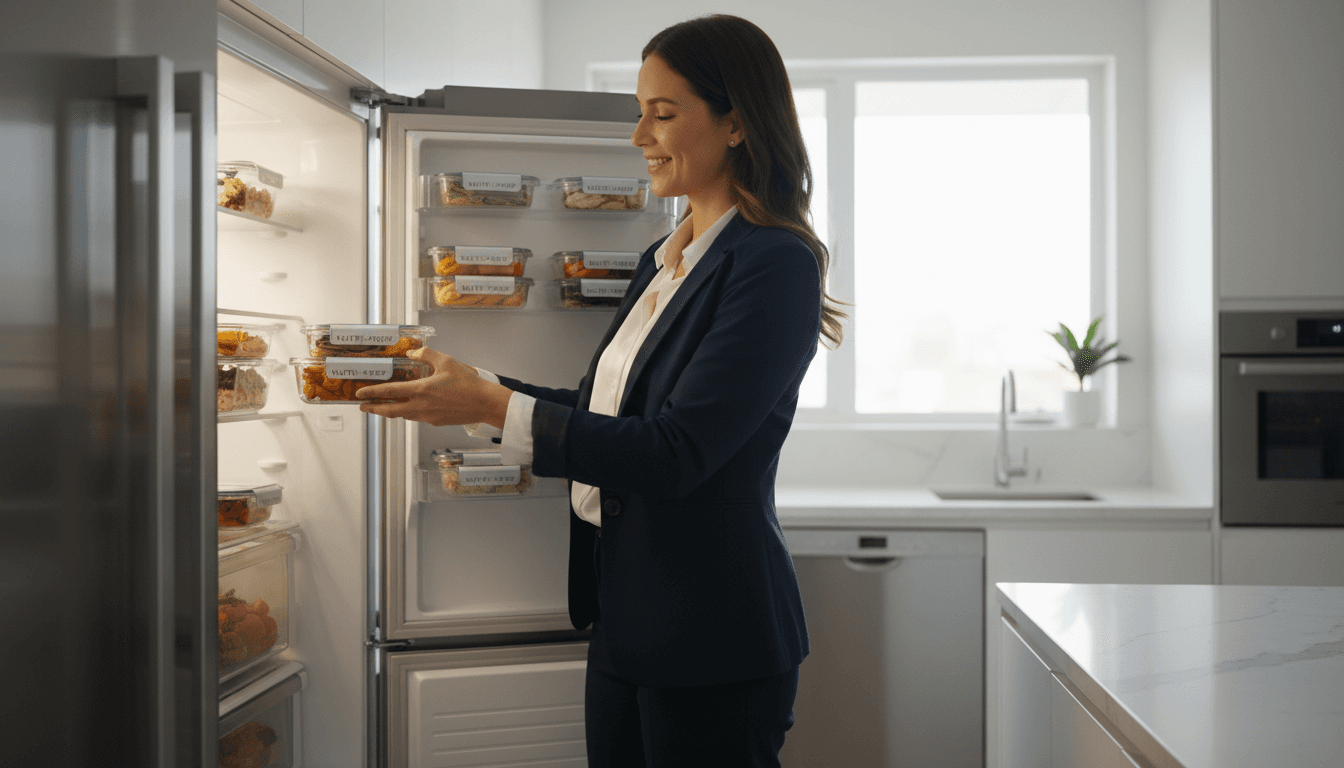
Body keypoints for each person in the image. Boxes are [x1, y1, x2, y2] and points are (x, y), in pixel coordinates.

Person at [357, 13, 847, 767]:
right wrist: (470, 385)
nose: (638, 136)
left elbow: (676, 452)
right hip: (625, 619)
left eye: (663, 113)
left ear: (738, 124)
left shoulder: (774, 262)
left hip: (711, 634)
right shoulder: (663, 257)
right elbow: (607, 413)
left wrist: (491, 407)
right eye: (638, 112)